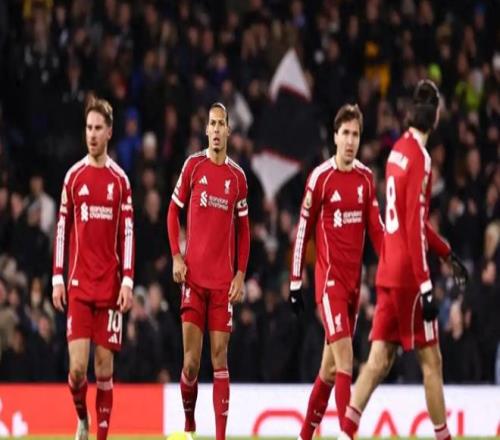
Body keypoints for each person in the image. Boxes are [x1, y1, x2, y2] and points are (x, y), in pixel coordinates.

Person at [340, 80, 468, 440]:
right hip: (410, 277)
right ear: (436, 116)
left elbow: (412, 220)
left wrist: (445, 252)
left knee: (378, 359)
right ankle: (443, 437)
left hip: (387, 270)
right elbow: (413, 224)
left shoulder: (397, 151)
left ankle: (344, 434)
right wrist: (426, 285)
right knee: (432, 362)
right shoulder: (422, 159)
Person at [289, 104, 384, 439]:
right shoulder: (321, 178)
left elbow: (377, 231)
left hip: (354, 287)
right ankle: (348, 435)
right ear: (335, 136)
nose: (350, 140)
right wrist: (295, 280)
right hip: (329, 284)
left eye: (355, 134)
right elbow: (303, 230)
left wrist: (394, 267)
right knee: (346, 360)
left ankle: (304, 435)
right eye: (345, 133)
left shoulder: (365, 179)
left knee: (328, 370)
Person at [52, 96, 135, 440]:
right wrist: (57, 278)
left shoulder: (120, 181)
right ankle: (82, 418)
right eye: (88, 128)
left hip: (110, 288)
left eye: (98, 128)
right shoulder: (73, 177)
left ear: (110, 132)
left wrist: (127, 281)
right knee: (76, 370)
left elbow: (127, 233)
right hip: (79, 286)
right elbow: (61, 229)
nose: (92, 134)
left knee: (104, 369)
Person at [167, 102, 250, 440]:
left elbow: (244, 231)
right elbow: (172, 212)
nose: (216, 130)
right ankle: (189, 425)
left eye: (221, 124)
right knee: (190, 363)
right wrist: (177, 256)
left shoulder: (237, 178)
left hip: (221, 285)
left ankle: (220, 437)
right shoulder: (193, 166)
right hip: (193, 279)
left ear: (229, 130)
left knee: (220, 358)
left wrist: (240, 274)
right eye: (211, 124)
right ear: (206, 130)